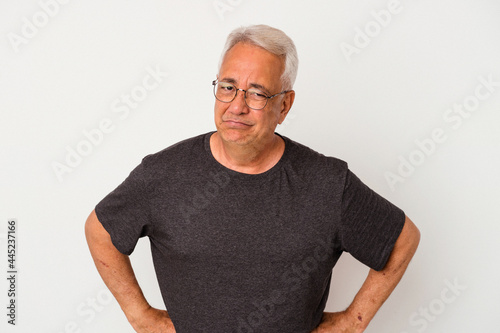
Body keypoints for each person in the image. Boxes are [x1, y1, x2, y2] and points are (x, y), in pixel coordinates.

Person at [85, 24, 420, 333]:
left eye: (257, 93)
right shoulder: (162, 175)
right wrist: (141, 318)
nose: (237, 106)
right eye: (228, 87)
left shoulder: (328, 184)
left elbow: (402, 240)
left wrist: (351, 323)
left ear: (284, 106)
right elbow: (100, 231)